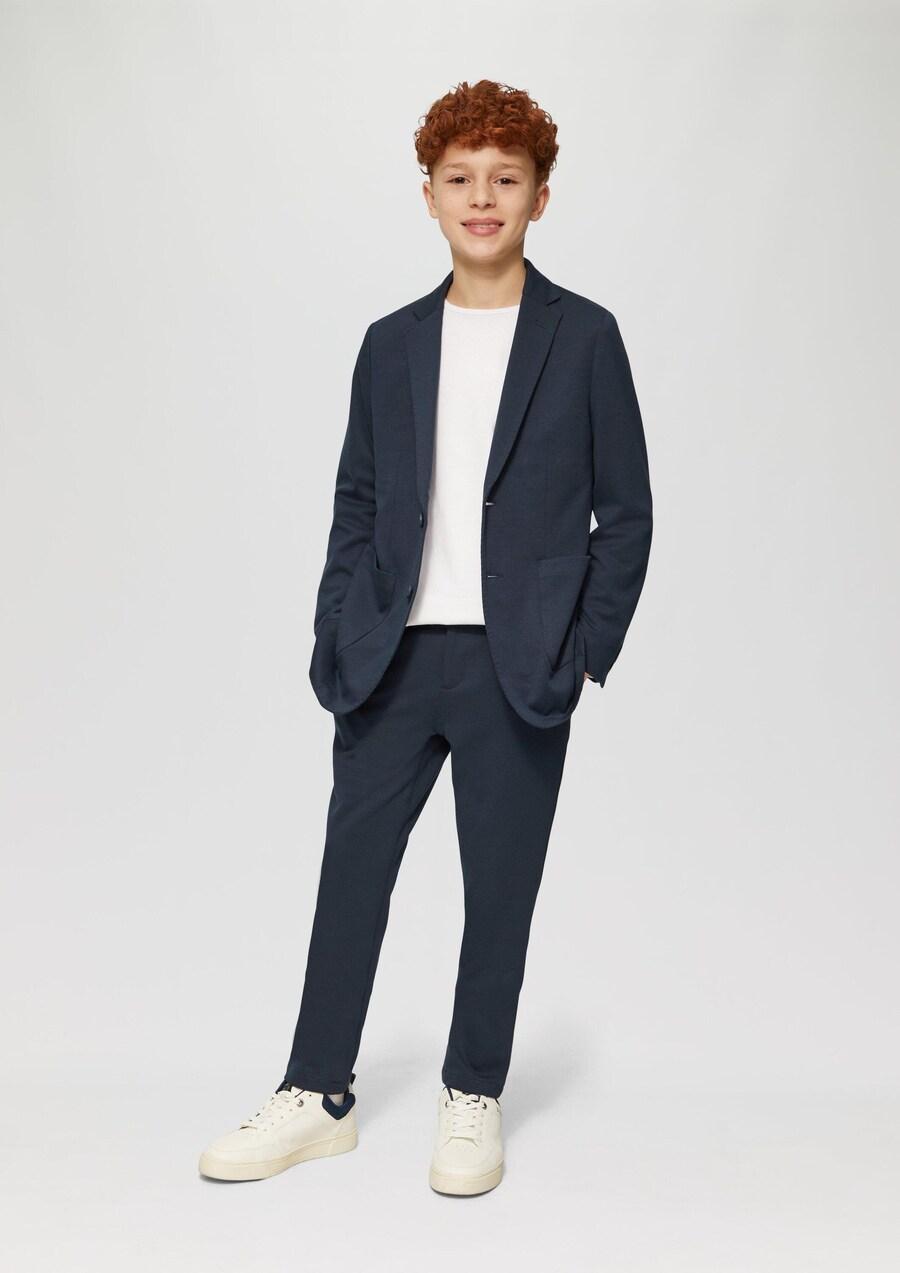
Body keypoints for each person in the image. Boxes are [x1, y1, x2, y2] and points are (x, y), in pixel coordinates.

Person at [199, 78, 652, 1195]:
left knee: (499, 890)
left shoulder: (585, 337)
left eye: (506, 179)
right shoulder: (389, 343)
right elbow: (357, 499)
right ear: (429, 195)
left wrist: (584, 649)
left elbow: (627, 512)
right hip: (392, 657)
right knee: (351, 877)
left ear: (541, 197)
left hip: (518, 665)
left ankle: (472, 1093)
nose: (482, 198)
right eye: (460, 179)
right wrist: (336, 627)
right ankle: (317, 1093)